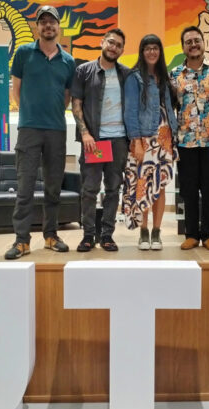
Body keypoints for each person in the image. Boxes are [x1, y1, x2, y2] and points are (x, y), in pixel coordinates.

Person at [4, 5, 76, 259]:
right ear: (37, 27)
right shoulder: (24, 53)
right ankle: (21, 240)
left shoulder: (68, 61)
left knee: (53, 188)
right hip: (29, 129)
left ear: (58, 27)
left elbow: (66, 97)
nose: (48, 26)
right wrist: (31, 113)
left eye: (52, 22)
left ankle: (51, 235)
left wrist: (51, 113)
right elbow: (16, 91)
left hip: (56, 130)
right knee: (24, 188)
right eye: (43, 22)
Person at [71, 28, 130, 252]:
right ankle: (88, 235)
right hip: (95, 141)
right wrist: (85, 133)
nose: (114, 47)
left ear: (122, 50)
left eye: (119, 45)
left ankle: (107, 235)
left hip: (119, 141)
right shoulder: (84, 71)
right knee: (89, 190)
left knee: (113, 189)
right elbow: (76, 104)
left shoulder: (126, 74)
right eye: (111, 42)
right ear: (102, 42)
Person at [123, 34, 178, 250]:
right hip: (144, 138)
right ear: (142, 52)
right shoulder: (134, 77)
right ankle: (143, 232)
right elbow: (130, 112)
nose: (152, 52)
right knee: (143, 185)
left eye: (155, 48)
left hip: (165, 139)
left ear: (160, 52)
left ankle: (157, 232)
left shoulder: (165, 77)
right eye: (148, 48)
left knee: (160, 185)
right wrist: (136, 141)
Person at [170, 26, 209, 252]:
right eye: (188, 41)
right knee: (188, 190)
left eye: (196, 40)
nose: (193, 45)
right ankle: (191, 234)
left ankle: (208, 235)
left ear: (204, 43)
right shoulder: (175, 74)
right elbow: (170, 106)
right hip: (186, 141)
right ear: (183, 47)